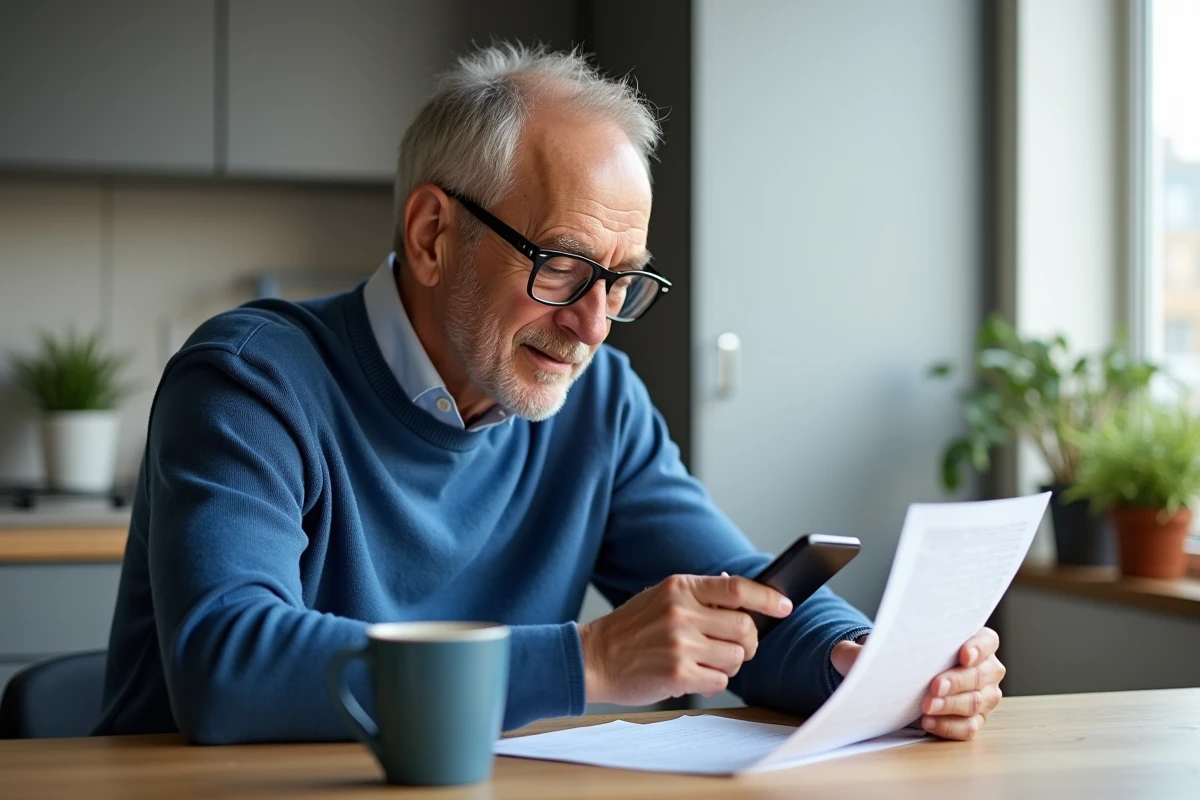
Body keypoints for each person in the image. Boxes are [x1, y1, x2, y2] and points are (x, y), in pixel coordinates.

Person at [94, 44, 1004, 744]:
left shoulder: (599, 403)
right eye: (563, 265)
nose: (595, 326)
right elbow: (228, 664)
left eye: (623, 280)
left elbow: (738, 592)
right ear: (433, 235)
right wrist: (589, 660)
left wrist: (866, 661)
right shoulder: (251, 378)